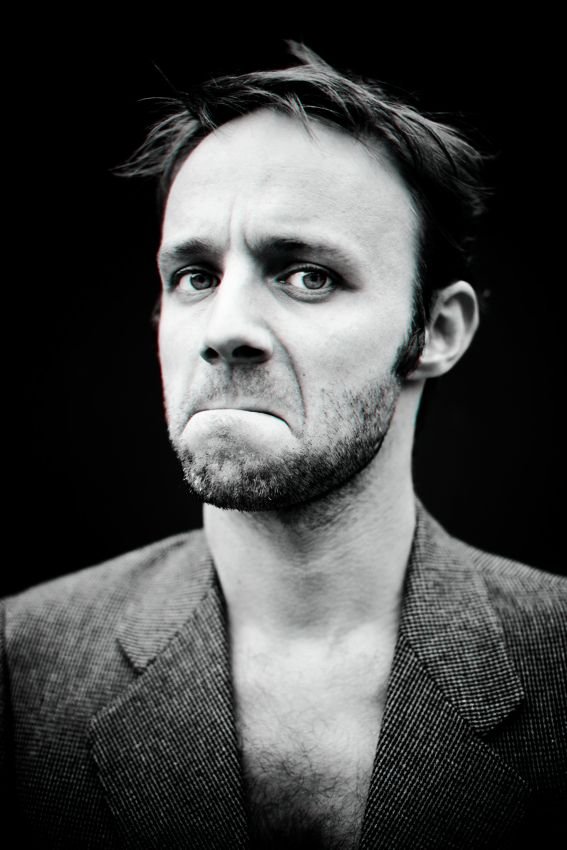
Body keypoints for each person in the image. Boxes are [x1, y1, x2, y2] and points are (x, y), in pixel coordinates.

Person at [1, 43, 565, 849]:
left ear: (436, 331)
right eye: (195, 276)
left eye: (306, 275)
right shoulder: (21, 662)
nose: (225, 327)